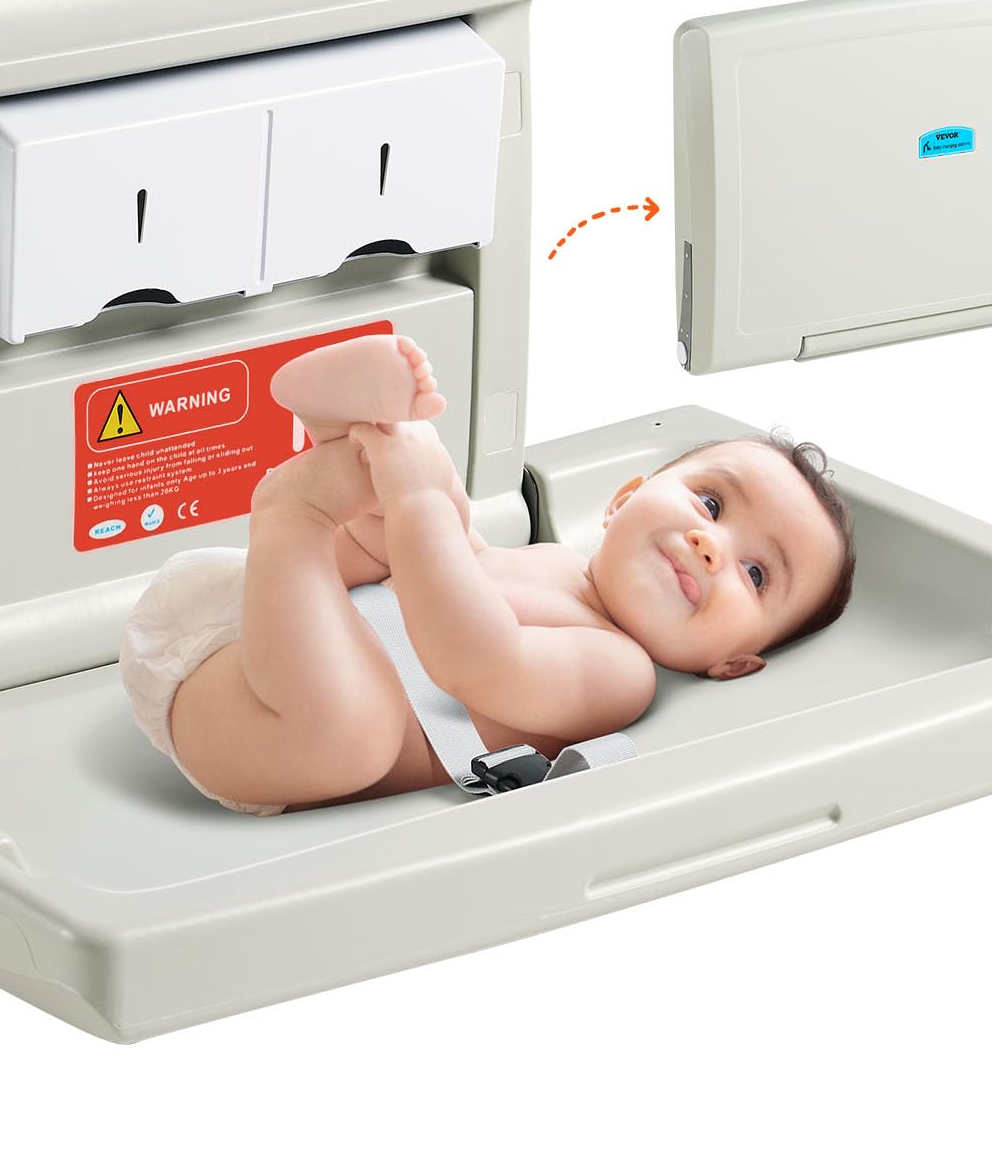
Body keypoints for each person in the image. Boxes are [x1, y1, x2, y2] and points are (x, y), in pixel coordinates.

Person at [121, 334, 855, 815]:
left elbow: (476, 657)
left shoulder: (621, 672)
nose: (709, 545)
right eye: (712, 503)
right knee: (431, 519)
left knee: (360, 728)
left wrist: (417, 499)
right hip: (272, 632)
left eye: (756, 573)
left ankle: (293, 514)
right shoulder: (550, 561)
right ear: (622, 500)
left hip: (264, 721)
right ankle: (348, 433)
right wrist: (424, 488)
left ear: (733, 662)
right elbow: (450, 562)